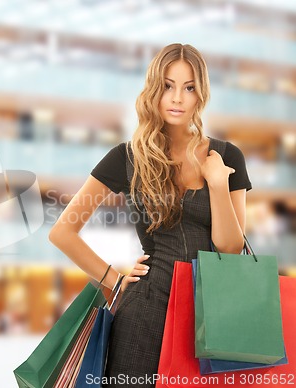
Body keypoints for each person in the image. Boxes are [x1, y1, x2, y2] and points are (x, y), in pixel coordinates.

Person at [49, 43, 251, 388]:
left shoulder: (226, 155)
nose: (177, 98)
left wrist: (217, 183)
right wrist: (114, 282)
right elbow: (62, 233)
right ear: (153, 90)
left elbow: (231, 249)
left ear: (200, 94)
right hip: (145, 311)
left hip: (212, 311)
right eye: (168, 86)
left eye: (188, 88)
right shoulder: (126, 157)